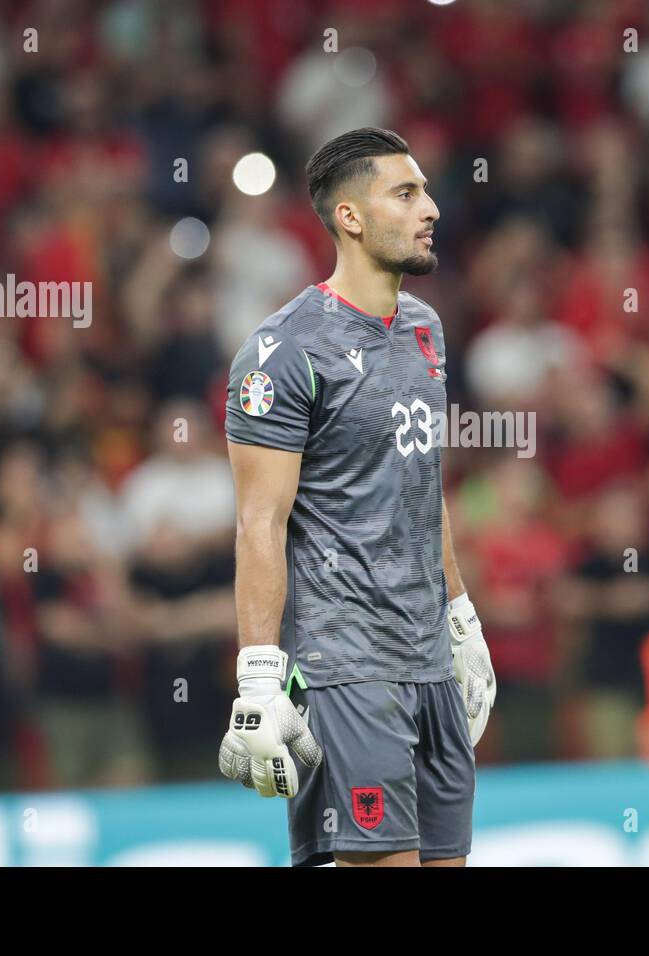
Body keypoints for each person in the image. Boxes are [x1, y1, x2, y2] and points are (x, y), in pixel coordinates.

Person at [217, 128, 496, 868]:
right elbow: (259, 521)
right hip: (345, 666)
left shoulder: (426, 330)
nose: (429, 208)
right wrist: (258, 675)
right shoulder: (283, 353)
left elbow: (420, 483)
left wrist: (461, 619)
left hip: (428, 658)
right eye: (405, 194)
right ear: (350, 217)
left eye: (427, 190)